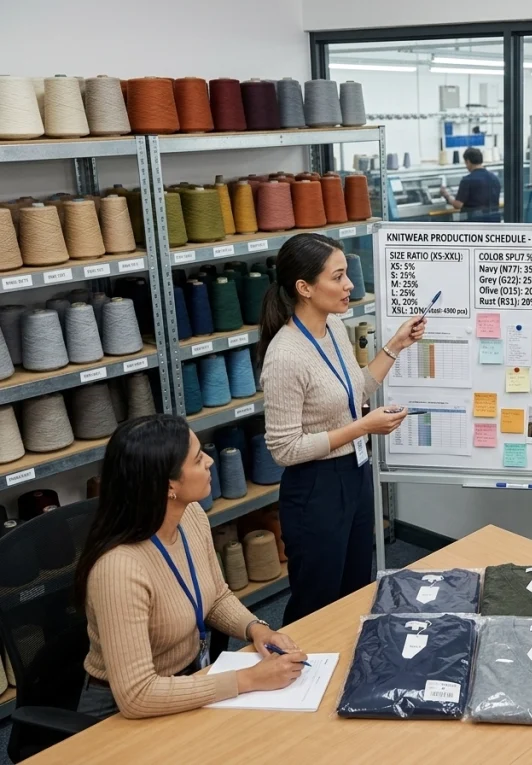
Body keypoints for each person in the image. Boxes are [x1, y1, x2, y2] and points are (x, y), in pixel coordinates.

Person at [75, 415, 308, 720]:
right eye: (198, 459)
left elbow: (215, 596)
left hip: (189, 681)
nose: (210, 462)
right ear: (168, 485)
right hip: (119, 716)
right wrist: (248, 679)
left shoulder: (191, 517)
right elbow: (136, 696)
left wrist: (256, 629)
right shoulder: (118, 570)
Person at [259, 233, 425, 624]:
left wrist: (396, 345)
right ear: (304, 288)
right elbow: (284, 450)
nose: (349, 285)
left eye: (346, 274)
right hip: (315, 488)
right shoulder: (284, 356)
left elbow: (357, 389)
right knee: (317, 602)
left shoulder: (333, 328)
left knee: (354, 589)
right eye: (338, 277)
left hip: (354, 473)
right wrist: (361, 427)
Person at [440, 146, 501, 222]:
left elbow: (458, 205)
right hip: (493, 222)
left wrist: (447, 195)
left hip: (474, 223)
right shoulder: (494, 178)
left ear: (468, 161)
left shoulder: (467, 180)